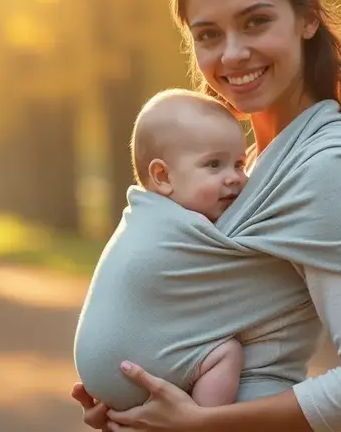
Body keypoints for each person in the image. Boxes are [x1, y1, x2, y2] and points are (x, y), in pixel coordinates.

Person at [71, 0, 341, 432]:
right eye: (208, 34)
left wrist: (201, 423)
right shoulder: (246, 165)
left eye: (255, 22)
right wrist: (135, 401)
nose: (232, 54)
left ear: (307, 19)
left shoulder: (324, 169)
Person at [74, 89, 250, 411]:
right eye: (214, 165)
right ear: (163, 176)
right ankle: (199, 423)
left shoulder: (140, 216)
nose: (235, 179)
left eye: (239, 164)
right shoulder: (190, 228)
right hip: (136, 370)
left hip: (101, 375)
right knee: (228, 352)